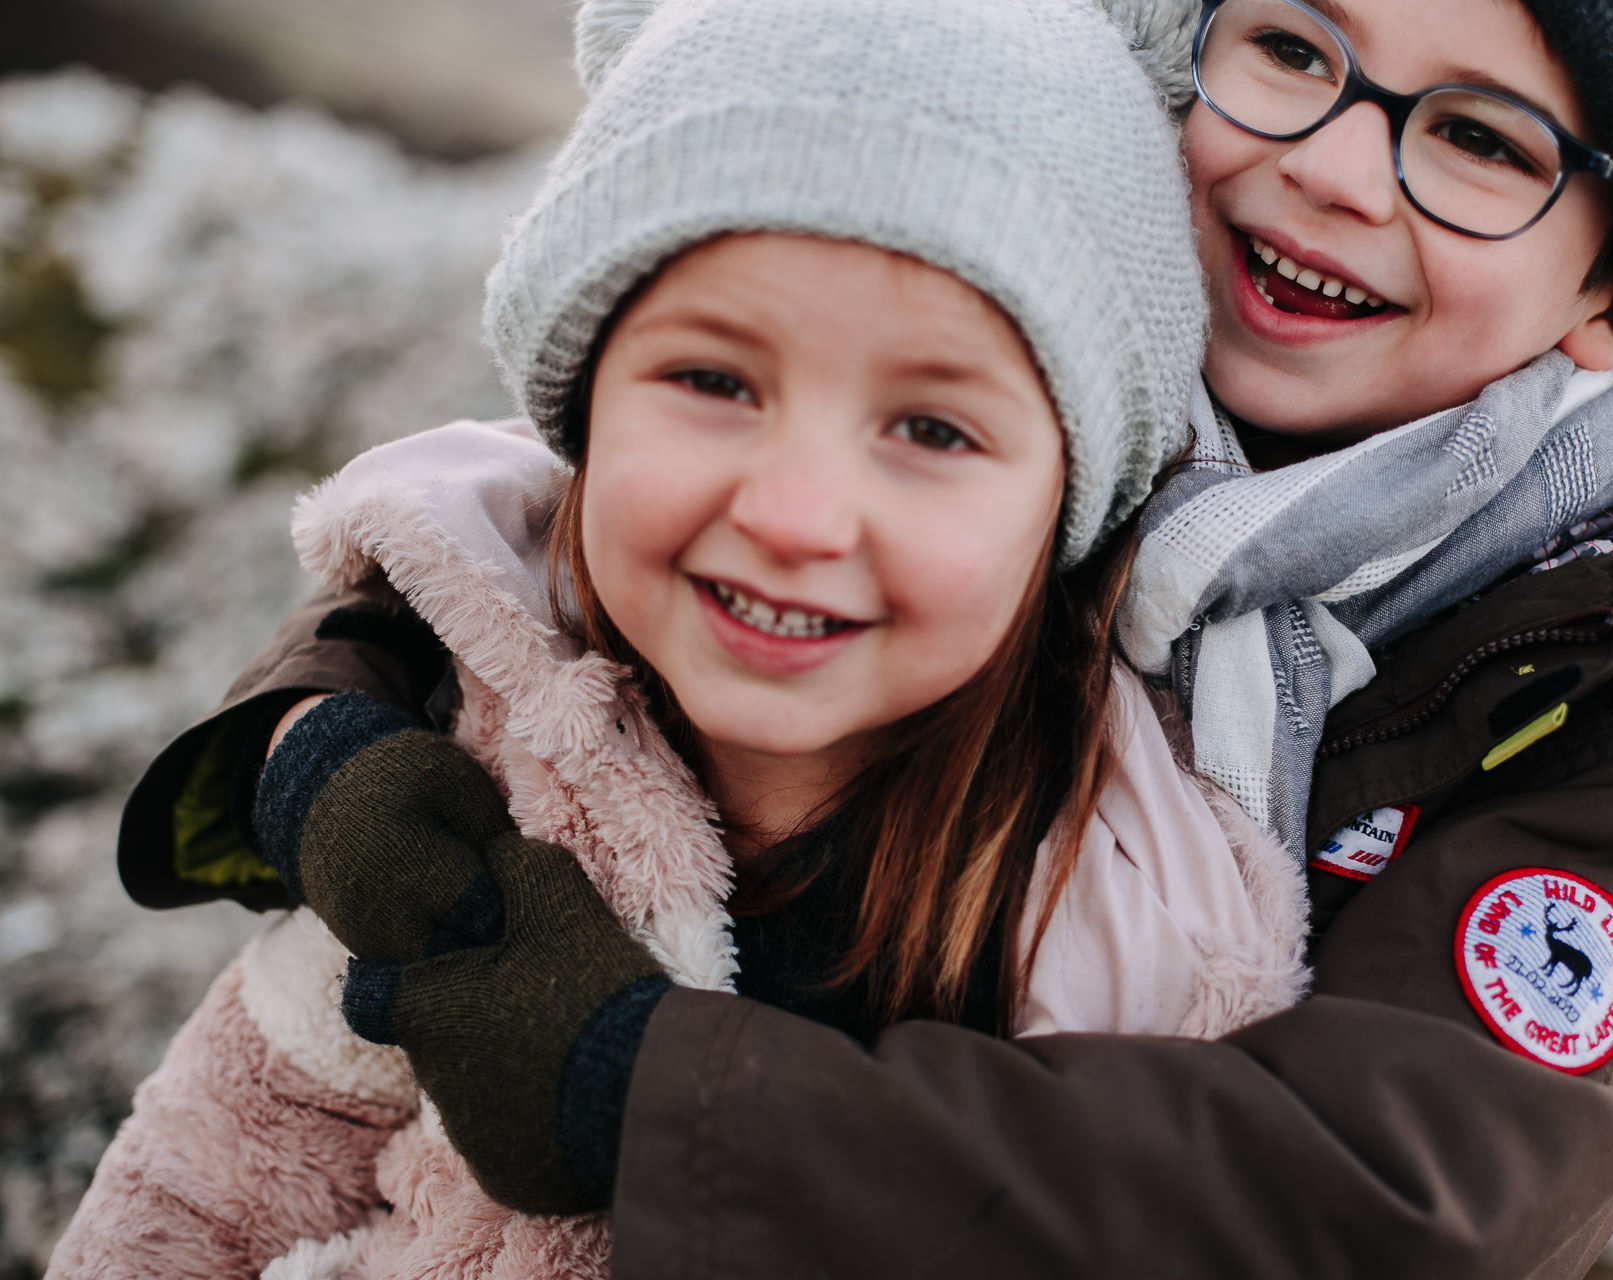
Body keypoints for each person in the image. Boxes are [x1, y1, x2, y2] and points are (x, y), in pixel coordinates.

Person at [93, 0, 1613, 1275]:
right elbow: (568, 494)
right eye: (1295, 47)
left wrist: (653, 1093)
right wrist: (323, 730)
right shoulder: (1063, 346)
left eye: (1479, 140)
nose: (1345, 171)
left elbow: (1384, 1204)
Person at [46, 1, 1314, 1276]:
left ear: (1071, 509)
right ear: (579, 407)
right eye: (716, 382)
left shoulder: (1138, 949)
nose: (795, 514)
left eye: (933, 430)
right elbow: (217, 1169)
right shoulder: (467, 757)